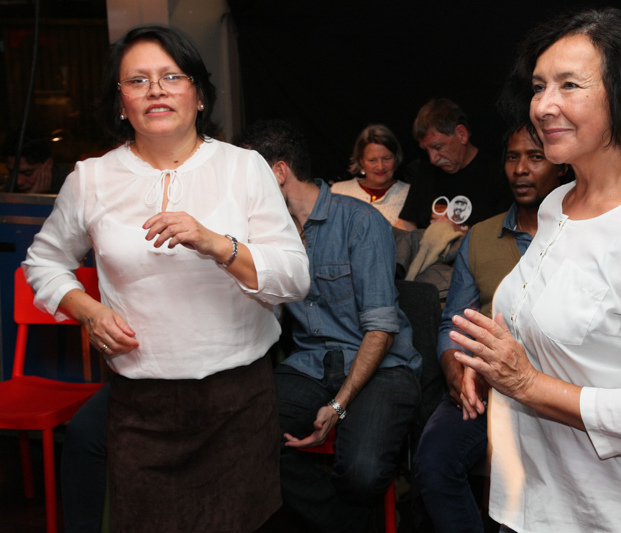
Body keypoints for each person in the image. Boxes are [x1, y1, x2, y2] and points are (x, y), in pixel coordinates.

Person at [22, 25, 309, 532]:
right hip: (141, 408)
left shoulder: (245, 169)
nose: (155, 90)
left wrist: (217, 244)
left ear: (199, 95)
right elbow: (43, 262)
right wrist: (88, 311)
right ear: (121, 103)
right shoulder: (91, 179)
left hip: (238, 402)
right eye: (137, 80)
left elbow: (294, 278)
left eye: (172, 76)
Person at [451, 8, 621, 532]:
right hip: (534, 503)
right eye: (538, 87)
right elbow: (550, 320)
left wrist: (523, 381)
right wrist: (493, 362)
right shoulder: (559, 203)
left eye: (569, 85)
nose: (543, 106)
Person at [239, 119, 421, 533]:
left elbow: (381, 330)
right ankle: (348, 524)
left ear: (279, 172)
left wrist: (338, 406)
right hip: (312, 363)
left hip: (382, 366)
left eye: (249, 175)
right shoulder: (267, 235)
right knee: (243, 435)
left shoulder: (359, 221)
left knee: (362, 472)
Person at [413, 123, 567, 533]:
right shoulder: (481, 236)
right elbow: (454, 322)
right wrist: (456, 373)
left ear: (561, 166)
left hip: (558, 393)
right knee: (433, 464)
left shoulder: (581, 235)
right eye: (513, 157)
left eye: (535, 157)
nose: (521, 169)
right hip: (487, 389)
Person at [396, 98, 512, 232]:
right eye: (427, 150)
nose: (433, 159)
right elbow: (405, 224)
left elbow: (503, 236)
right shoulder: (425, 171)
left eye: (438, 147)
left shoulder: (496, 175)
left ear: (462, 134)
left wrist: (458, 230)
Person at [331, 124, 409, 226]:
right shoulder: (338, 191)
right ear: (361, 161)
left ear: (396, 158)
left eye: (386, 159)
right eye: (372, 160)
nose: (380, 167)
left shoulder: (409, 194)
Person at [2, 129, 70, 194]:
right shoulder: (10, 185)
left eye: (28, 173)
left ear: (48, 164)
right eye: (12, 173)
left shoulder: (69, 184)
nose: (19, 181)